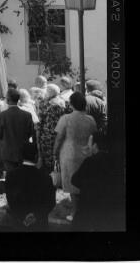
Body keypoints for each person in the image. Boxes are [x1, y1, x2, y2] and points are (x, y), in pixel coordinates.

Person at [54, 91, 98, 221]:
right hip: (86, 152)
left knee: (72, 183)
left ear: (71, 104)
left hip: (69, 153)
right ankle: (83, 209)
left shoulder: (65, 118)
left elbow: (59, 138)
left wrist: (55, 152)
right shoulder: (91, 119)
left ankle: (74, 211)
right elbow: (93, 135)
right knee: (83, 181)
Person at [70, 131, 123, 230]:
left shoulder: (89, 161)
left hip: (89, 207)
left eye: (89, 143)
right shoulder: (114, 161)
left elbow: (74, 180)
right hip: (110, 209)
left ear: (95, 145)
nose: (88, 146)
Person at [4, 140, 55, 229]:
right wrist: (36, 216)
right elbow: (51, 203)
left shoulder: (11, 175)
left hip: (18, 223)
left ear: (21, 156)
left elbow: (11, 200)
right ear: (36, 156)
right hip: (40, 224)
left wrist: (22, 216)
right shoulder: (45, 177)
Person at [0, 87, 36, 172]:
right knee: (22, 176)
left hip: (8, 151)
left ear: (8, 100)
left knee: (10, 176)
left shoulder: (1, 116)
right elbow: (31, 132)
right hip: (23, 151)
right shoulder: (27, 115)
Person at [37, 83, 67, 172]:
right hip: (61, 134)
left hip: (48, 136)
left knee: (48, 164)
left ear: (49, 93)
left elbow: (39, 122)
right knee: (59, 160)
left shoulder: (44, 104)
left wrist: (38, 137)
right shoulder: (64, 102)